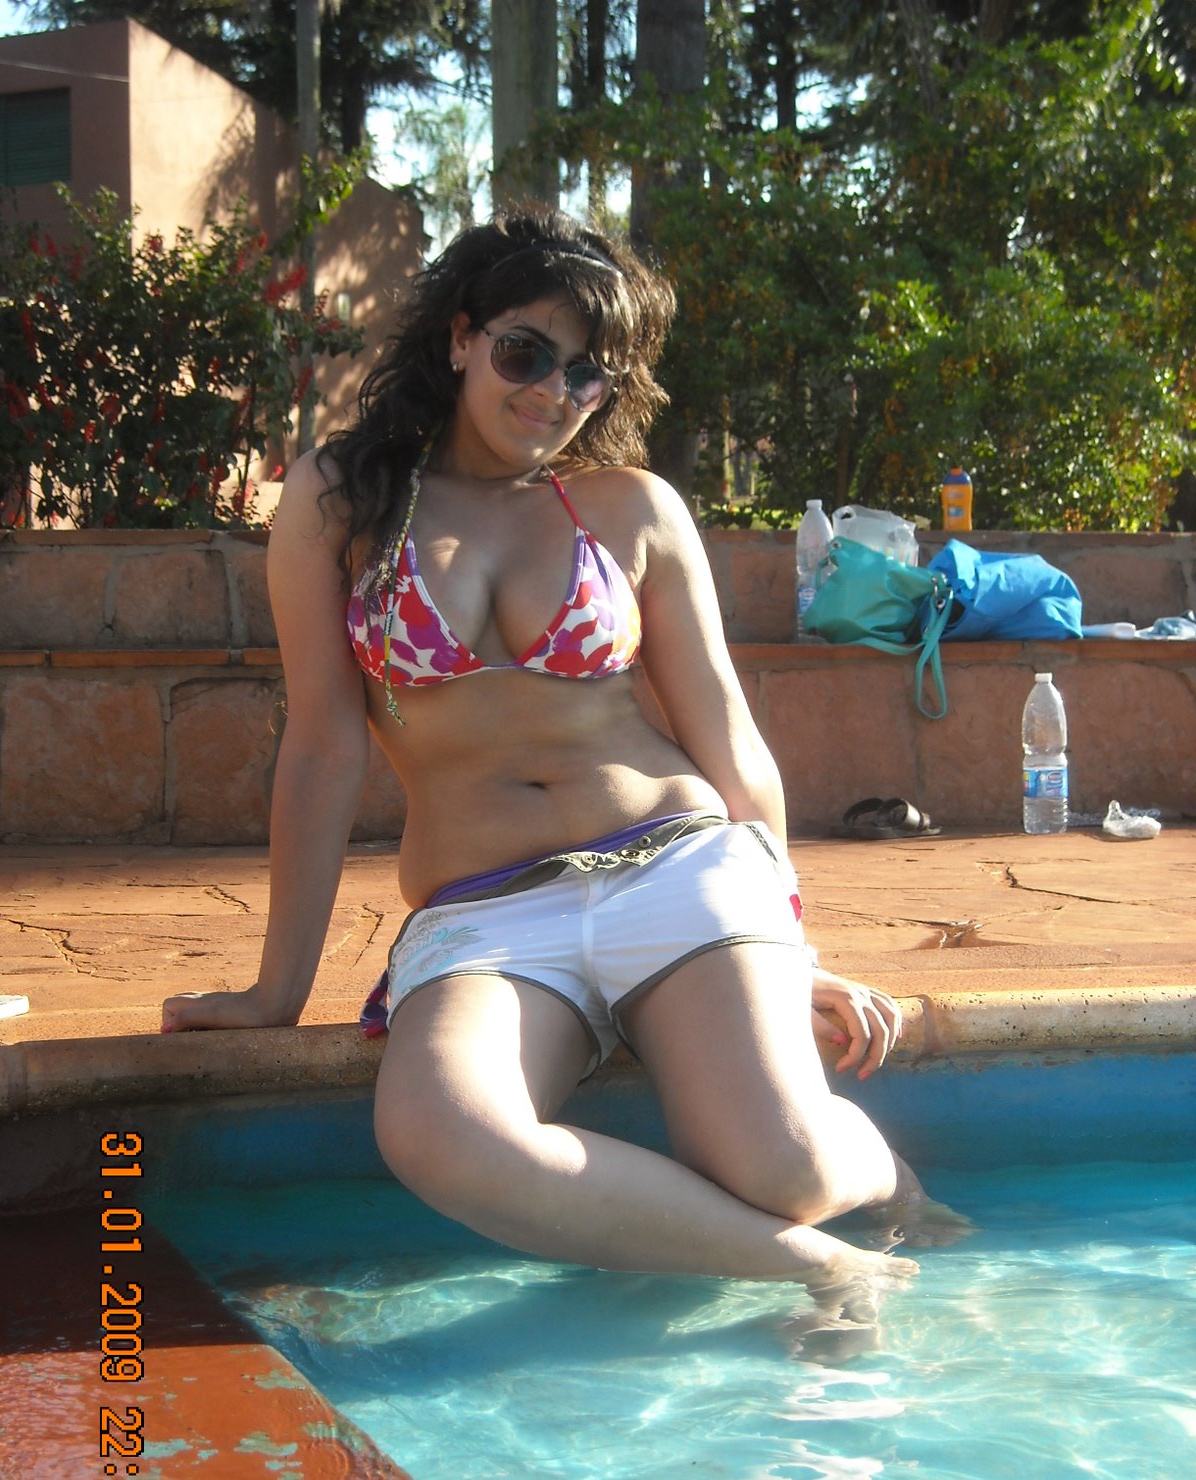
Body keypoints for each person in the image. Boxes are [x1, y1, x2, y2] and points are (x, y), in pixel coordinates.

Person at [163, 205, 942, 1311]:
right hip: (487, 910)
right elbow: (325, 747)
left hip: (679, 863)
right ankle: (824, 1264)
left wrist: (784, 951)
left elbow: (728, 737)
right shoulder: (340, 501)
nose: (553, 392)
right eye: (526, 353)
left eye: (587, 374)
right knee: (440, 1131)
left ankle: (885, 1178)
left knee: (789, 1167)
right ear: (460, 338)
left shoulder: (633, 508)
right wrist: (274, 991)